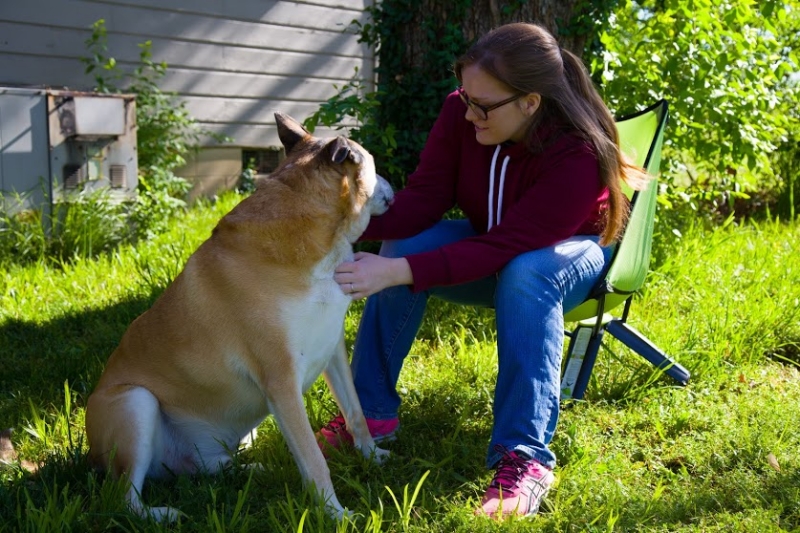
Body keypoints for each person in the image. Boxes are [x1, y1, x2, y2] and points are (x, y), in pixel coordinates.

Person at [317, 22, 647, 518]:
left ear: (530, 103)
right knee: (400, 241)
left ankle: (524, 457)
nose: (467, 112)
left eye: (483, 105)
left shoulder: (576, 151)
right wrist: (331, 229)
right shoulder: (461, 112)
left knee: (526, 273)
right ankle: (370, 415)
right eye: (465, 96)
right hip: (497, 242)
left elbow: (510, 246)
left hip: (572, 255)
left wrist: (398, 271)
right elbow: (425, 198)